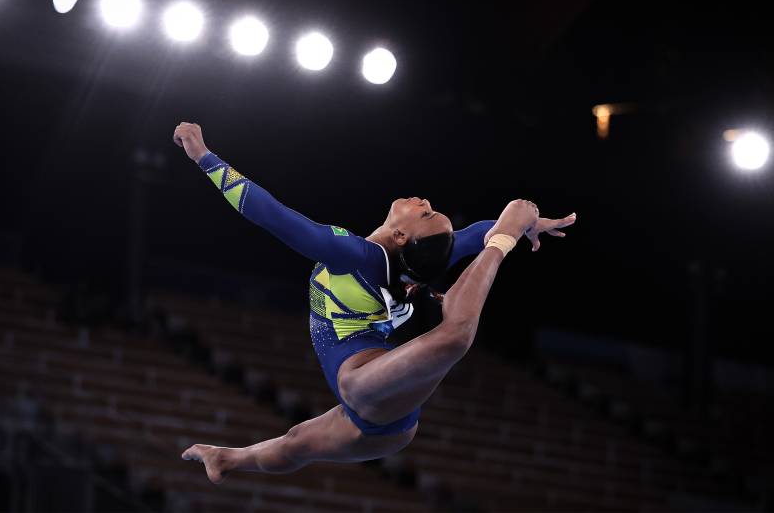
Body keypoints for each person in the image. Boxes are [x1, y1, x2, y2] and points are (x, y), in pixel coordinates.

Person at [172, 122, 576, 483]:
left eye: (426, 212)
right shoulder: (414, 262)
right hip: (384, 418)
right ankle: (225, 458)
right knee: (295, 442)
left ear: (402, 236)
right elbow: (475, 234)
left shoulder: (355, 256)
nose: (424, 202)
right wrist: (527, 224)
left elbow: (272, 215)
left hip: (368, 390)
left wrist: (206, 159)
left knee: (453, 337)